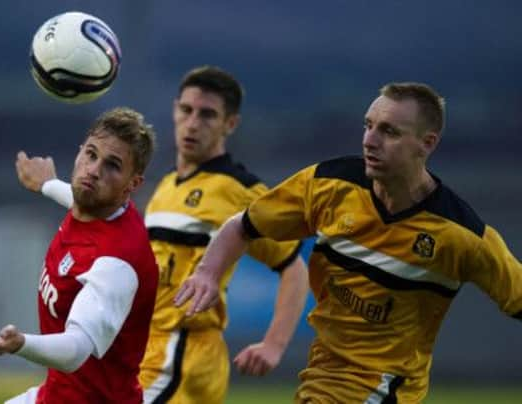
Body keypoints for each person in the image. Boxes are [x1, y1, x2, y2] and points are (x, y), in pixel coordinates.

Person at [174, 82, 522, 403]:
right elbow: (243, 225)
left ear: (427, 143)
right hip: (321, 379)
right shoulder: (328, 185)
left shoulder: (461, 234)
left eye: (389, 132)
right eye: (368, 125)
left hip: (383, 390)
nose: (370, 140)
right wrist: (207, 272)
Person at [16, 65, 309, 403]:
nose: (193, 123)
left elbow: (293, 266)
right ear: (174, 110)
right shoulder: (166, 185)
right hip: (148, 348)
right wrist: (49, 185)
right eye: (186, 110)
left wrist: (274, 344)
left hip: (184, 352)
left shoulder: (240, 190)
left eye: (208, 115)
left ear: (230, 124)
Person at [0, 107, 159, 404]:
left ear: (132, 185)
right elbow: (79, 198)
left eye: (112, 165)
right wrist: (46, 184)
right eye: (91, 154)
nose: (94, 170)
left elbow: (75, 351)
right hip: (58, 395)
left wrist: (20, 344)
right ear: (79, 152)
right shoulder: (101, 208)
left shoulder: (116, 263)